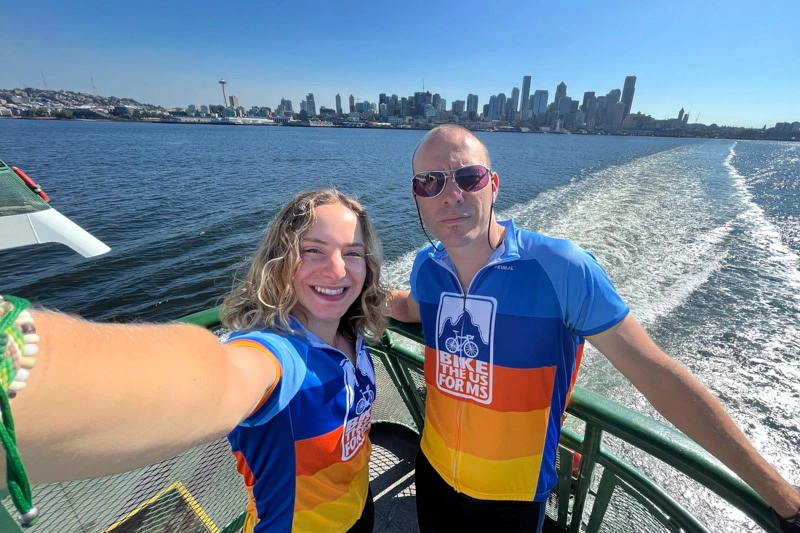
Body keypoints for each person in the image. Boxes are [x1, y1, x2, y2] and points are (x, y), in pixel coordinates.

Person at [388, 124, 800, 533]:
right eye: (430, 182)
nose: (451, 195)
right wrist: (342, 293)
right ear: (416, 195)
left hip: (511, 499)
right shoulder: (429, 267)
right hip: (434, 473)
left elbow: (657, 376)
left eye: (467, 177)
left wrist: (780, 492)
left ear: (492, 185)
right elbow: (409, 307)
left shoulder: (561, 268)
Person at [1, 189, 388, 533]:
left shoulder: (349, 332)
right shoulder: (276, 356)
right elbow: (220, 377)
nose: (337, 269)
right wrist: (20, 361)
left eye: (352, 253)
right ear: (282, 261)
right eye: (313, 250)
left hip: (359, 507)